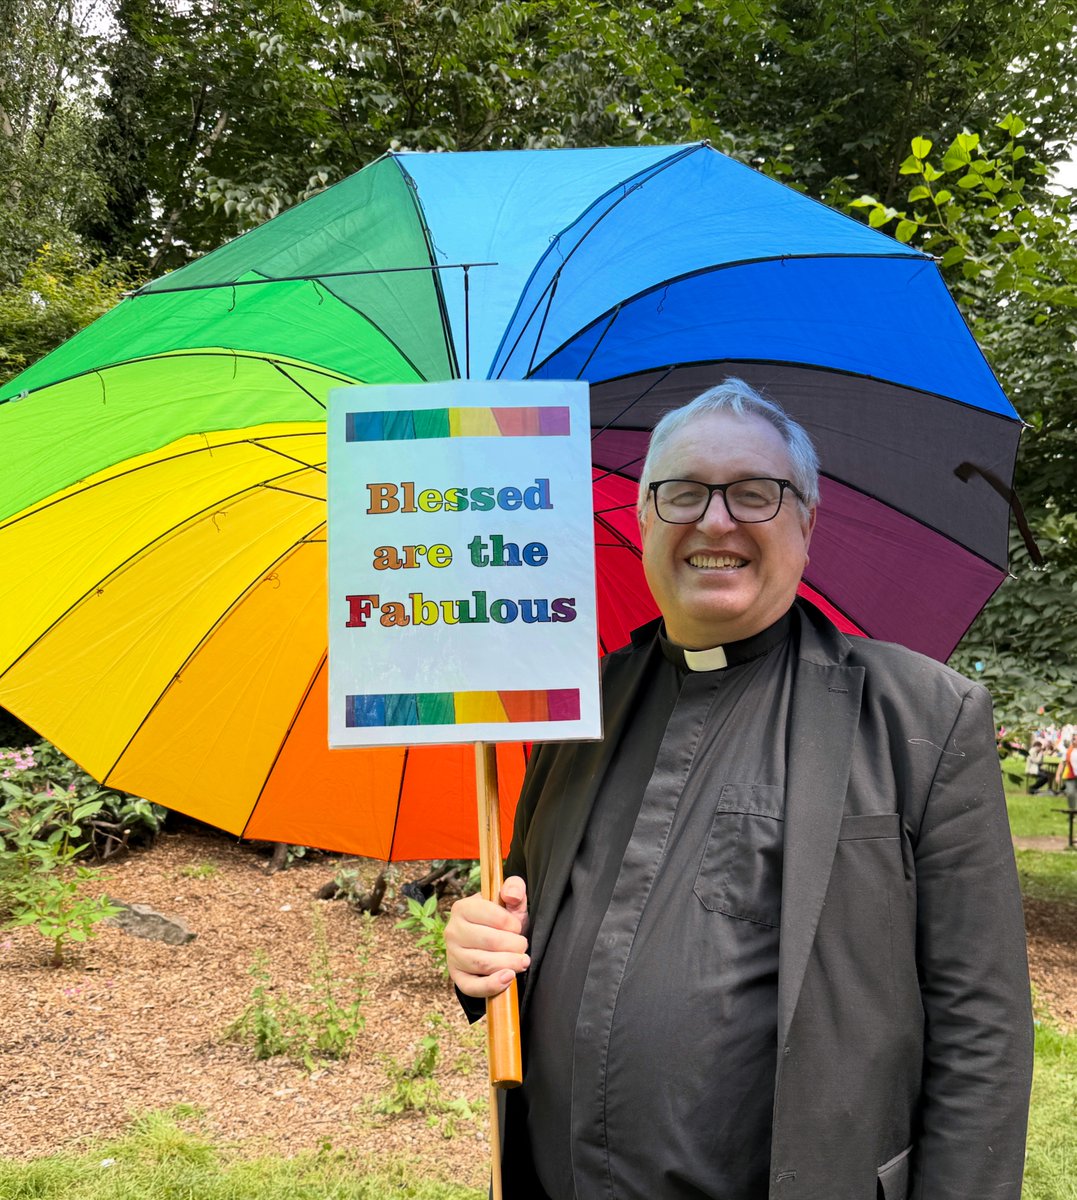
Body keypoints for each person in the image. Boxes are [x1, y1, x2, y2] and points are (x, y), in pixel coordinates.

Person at [445, 379, 1033, 1200]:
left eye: (754, 494)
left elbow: (983, 1033)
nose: (713, 521)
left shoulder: (922, 719)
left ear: (806, 522)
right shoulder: (572, 710)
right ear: (644, 518)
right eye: (682, 493)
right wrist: (481, 952)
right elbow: (524, 934)